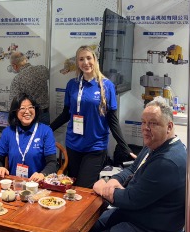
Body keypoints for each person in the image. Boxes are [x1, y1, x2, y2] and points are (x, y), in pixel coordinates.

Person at [78, 97, 186, 232]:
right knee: (80, 228)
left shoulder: (168, 161)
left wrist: (103, 188)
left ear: (169, 126)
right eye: (143, 122)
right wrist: (114, 180)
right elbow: (132, 169)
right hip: (134, 215)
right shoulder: (154, 144)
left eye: (153, 123)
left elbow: (131, 198)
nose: (145, 128)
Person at [50, 45, 135, 188]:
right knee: (72, 186)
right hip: (73, 145)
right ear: (77, 62)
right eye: (81, 59)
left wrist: (125, 148)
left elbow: (112, 120)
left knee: (84, 187)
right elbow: (66, 114)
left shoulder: (107, 86)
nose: (85, 62)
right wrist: (46, 129)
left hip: (95, 146)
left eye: (89, 58)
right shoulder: (72, 84)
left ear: (95, 60)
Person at [0, 93, 56, 182]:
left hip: (37, 183)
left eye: (31, 107)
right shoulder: (8, 132)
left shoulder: (45, 131)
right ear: (15, 111)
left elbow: (52, 163)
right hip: (15, 182)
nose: (27, 111)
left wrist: (42, 174)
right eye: (22, 108)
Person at [9, 51, 50, 124]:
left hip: (28, 116)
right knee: (44, 131)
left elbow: (13, 104)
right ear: (26, 60)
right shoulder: (43, 69)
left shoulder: (17, 79)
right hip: (44, 114)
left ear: (14, 65)